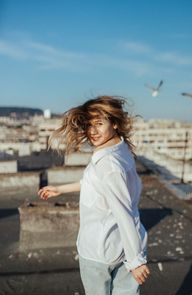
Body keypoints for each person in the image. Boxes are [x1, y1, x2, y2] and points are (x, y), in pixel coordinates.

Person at [38, 95, 150, 295]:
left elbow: (123, 213)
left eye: (99, 123)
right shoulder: (120, 150)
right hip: (123, 245)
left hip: (99, 250)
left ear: (114, 123)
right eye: (89, 125)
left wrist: (136, 261)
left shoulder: (107, 164)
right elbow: (98, 185)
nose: (92, 131)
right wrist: (61, 189)